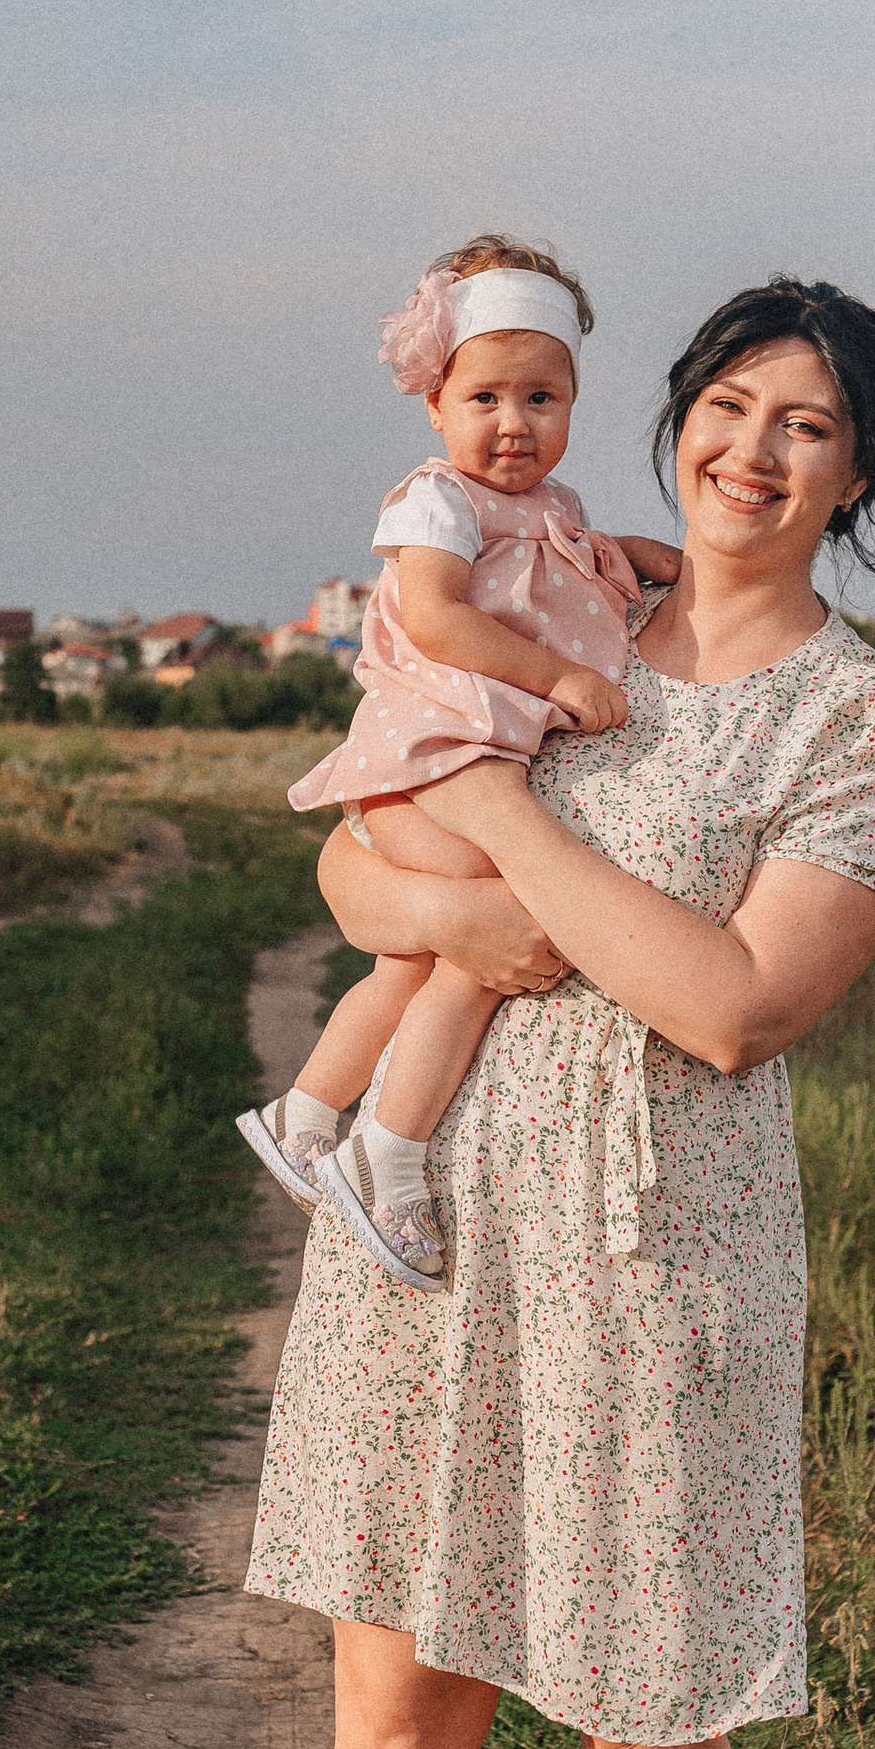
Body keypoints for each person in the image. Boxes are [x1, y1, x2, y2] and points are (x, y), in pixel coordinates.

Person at [243, 276, 875, 1749]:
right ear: (672, 420)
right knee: (395, 1710)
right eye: (727, 405)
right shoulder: (554, 599)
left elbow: (732, 1005)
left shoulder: (867, 725)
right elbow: (351, 870)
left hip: (660, 1260)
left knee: (650, 1731)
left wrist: (499, 834)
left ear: (858, 472)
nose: (753, 451)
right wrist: (461, 893)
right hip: (433, 1219)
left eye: (806, 426)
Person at [236, 236, 677, 1289]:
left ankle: (304, 1113)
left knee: (413, 961)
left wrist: (633, 556)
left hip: (457, 756)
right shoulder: (437, 500)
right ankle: (389, 1154)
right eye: (485, 398)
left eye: (541, 399)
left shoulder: (554, 511)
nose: (513, 424)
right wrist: (555, 675)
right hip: (428, 753)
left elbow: (556, 565)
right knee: (489, 932)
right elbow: (436, 616)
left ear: (573, 404)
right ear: (435, 402)